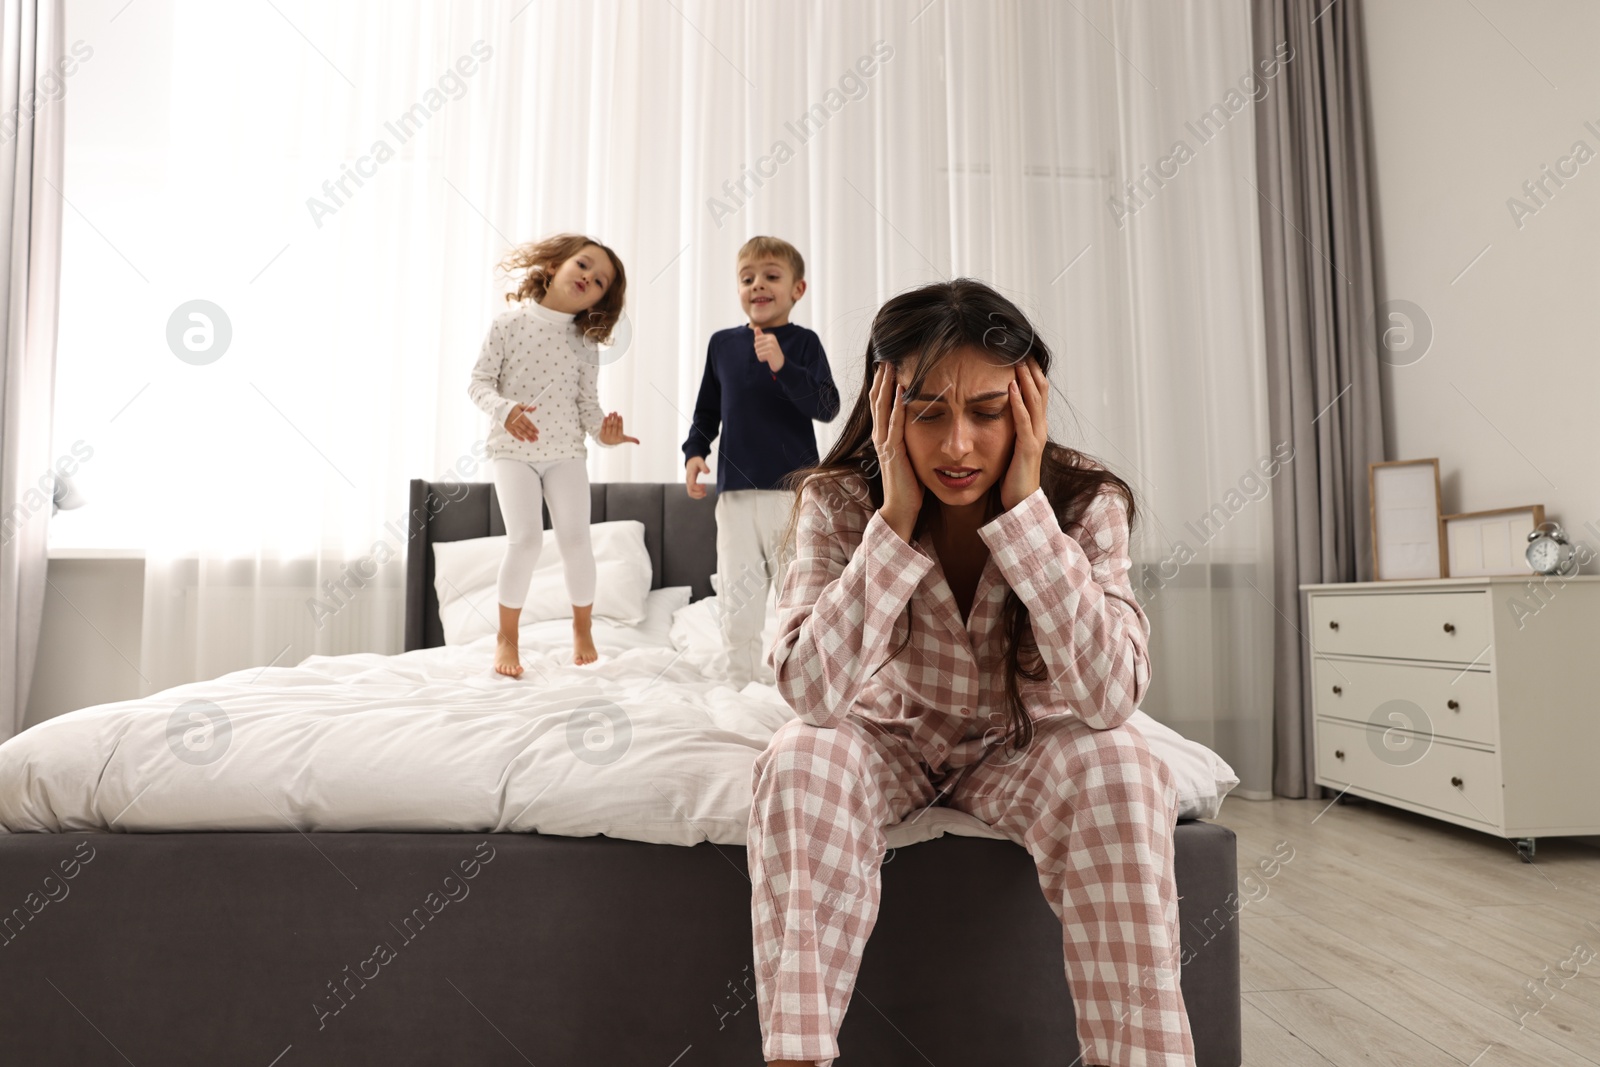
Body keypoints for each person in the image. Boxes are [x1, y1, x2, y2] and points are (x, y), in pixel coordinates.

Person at [749, 278, 1195, 1067]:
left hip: (1023, 741)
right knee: (797, 756)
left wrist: (1026, 517)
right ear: (887, 407)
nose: (958, 445)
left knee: (1127, 768)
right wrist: (892, 521)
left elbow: (1110, 697)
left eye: (988, 412)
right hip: (888, 735)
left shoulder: (1088, 501)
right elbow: (812, 695)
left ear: (1030, 403)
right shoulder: (841, 502)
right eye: (928, 413)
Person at [467, 233, 639, 675]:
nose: (589, 278)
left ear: (600, 300)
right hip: (513, 451)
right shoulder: (507, 325)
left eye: (600, 281)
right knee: (524, 541)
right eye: (583, 266)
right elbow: (478, 384)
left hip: (566, 453)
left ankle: (582, 630)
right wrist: (505, 411)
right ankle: (508, 640)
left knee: (576, 540)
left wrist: (607, 436)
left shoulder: (586, 346)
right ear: (553, 266)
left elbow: (588, 409)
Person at [682, 236, 838, 688]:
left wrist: (784, 365)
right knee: (737, 594)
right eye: (747, 278)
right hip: (734, 494)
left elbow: (826, 406)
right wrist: (695, 452)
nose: (758, 285)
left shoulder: (804, 344)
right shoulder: (723, 345)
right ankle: (740, 683)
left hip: (792, 494)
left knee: (797, 589)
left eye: (771, 276)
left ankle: (801, 679)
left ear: (797, 289)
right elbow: (708, 410)